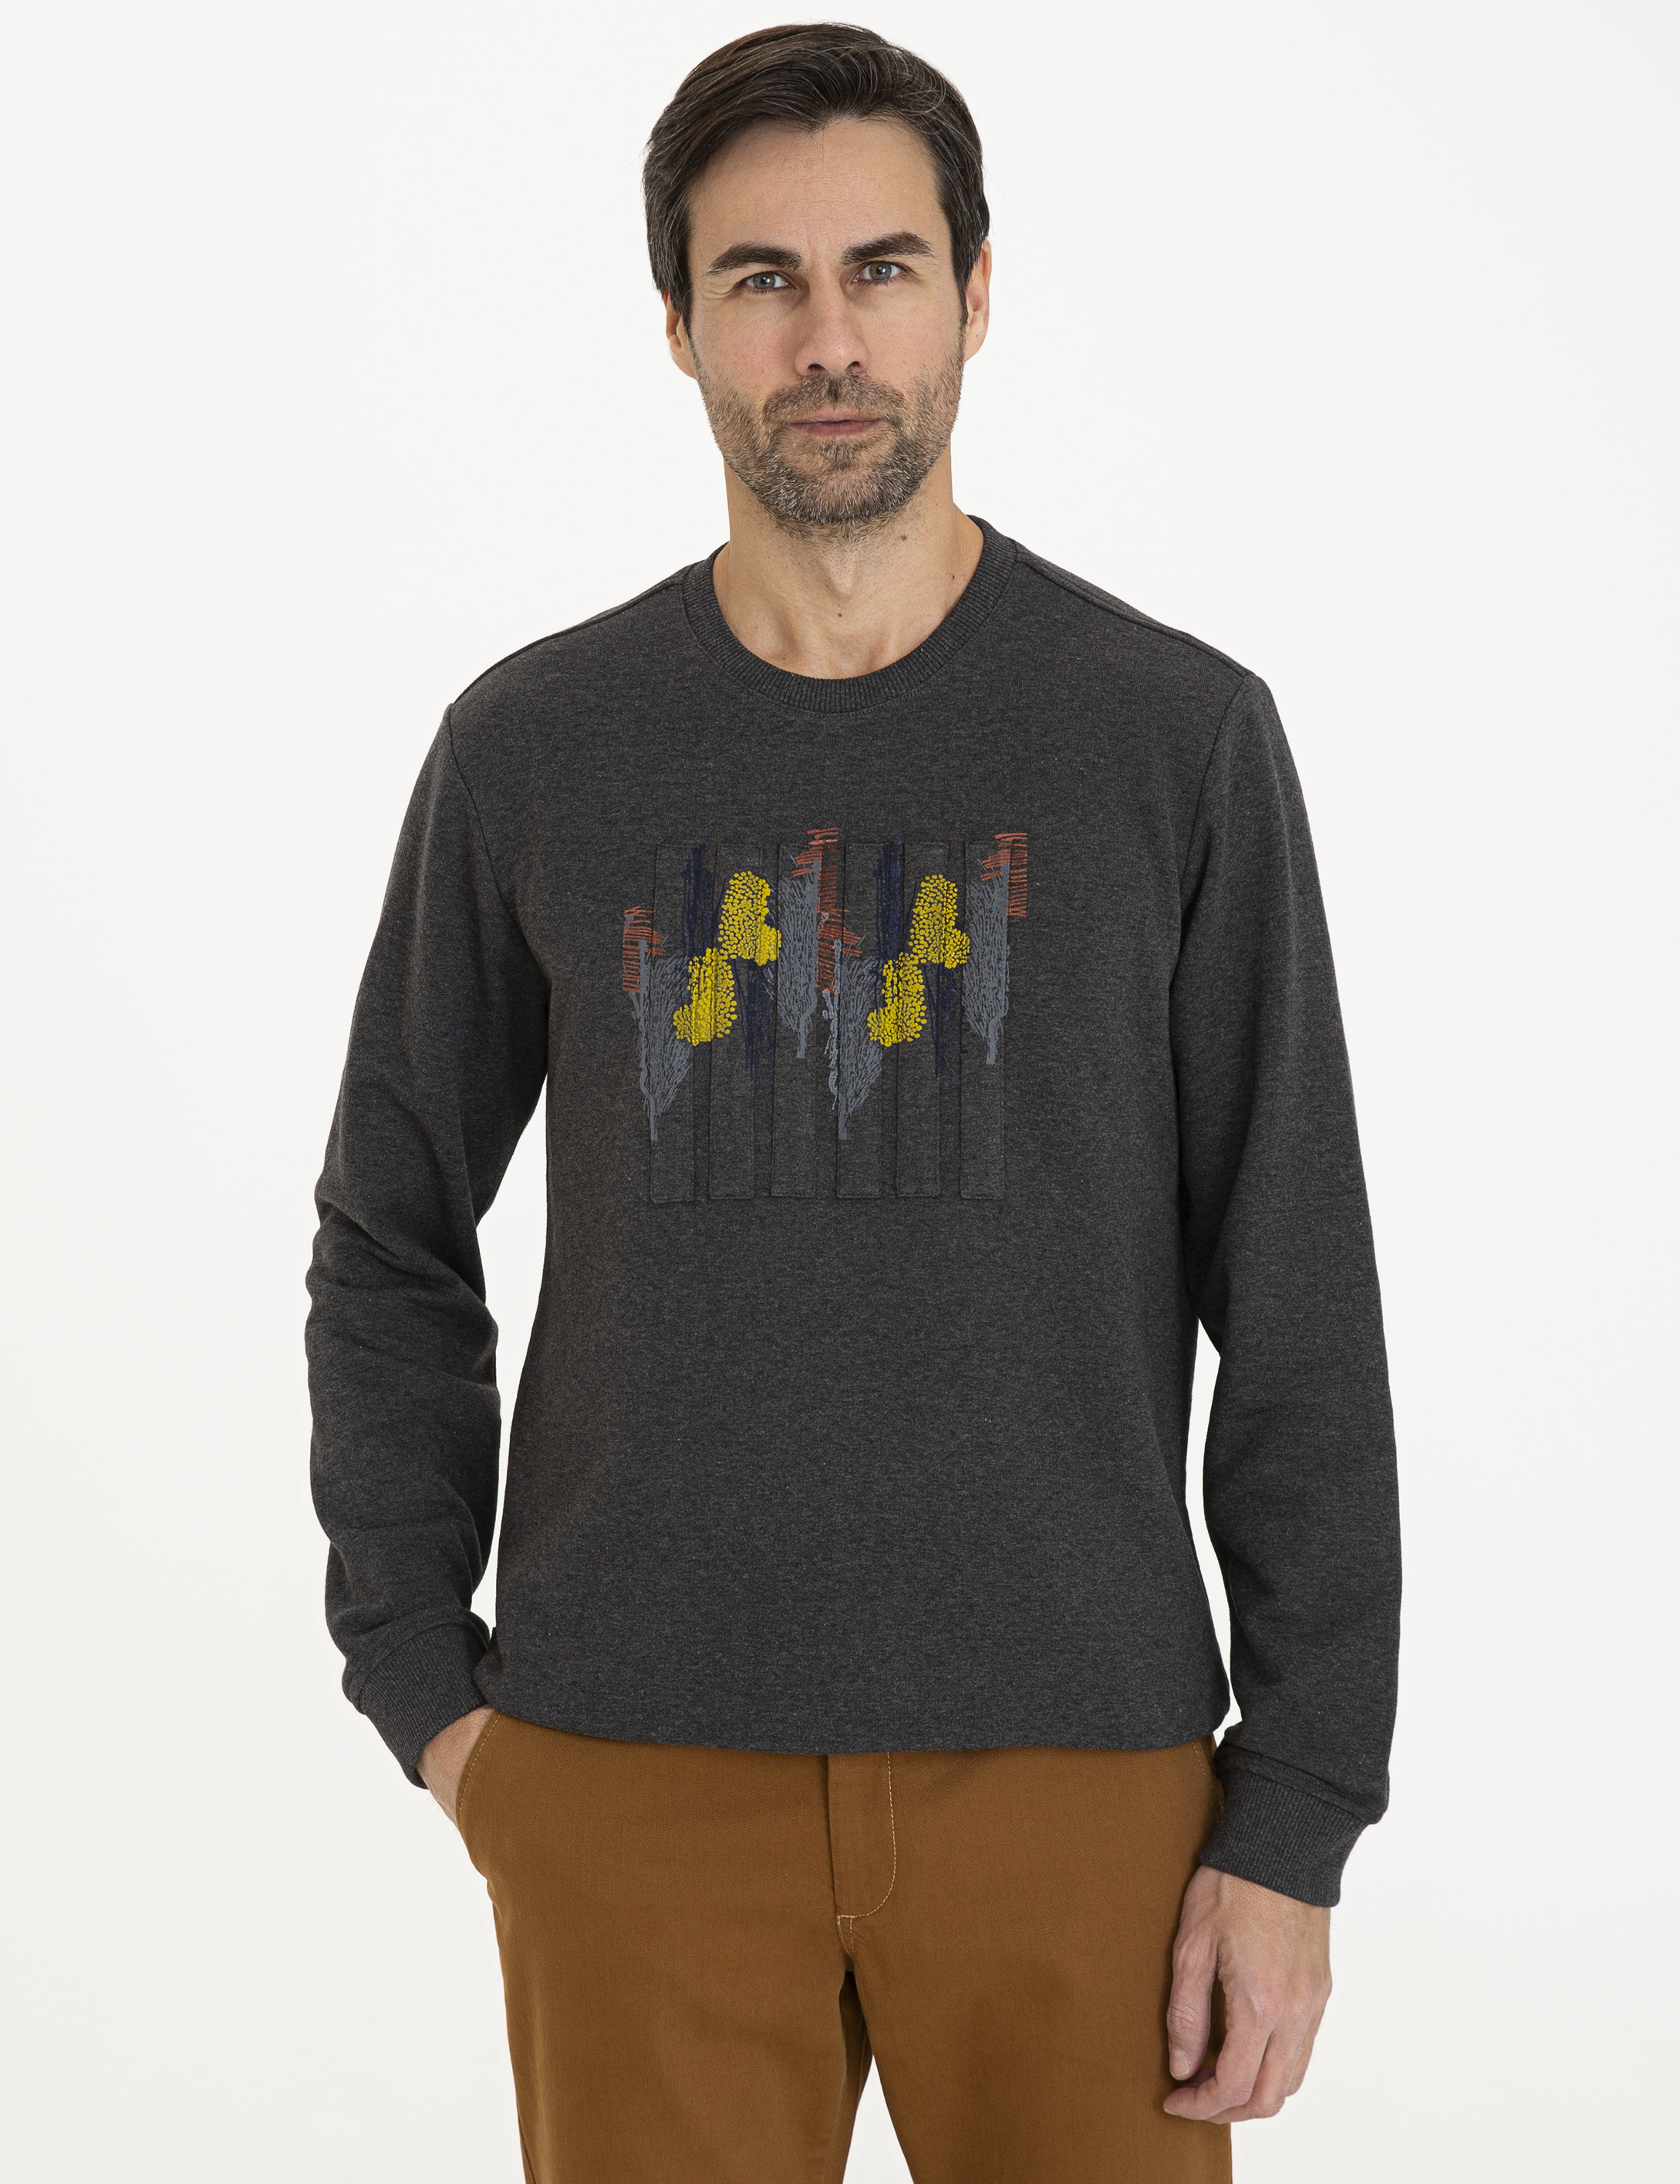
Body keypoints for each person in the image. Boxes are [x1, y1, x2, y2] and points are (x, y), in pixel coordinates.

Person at [305, 22, 1400, 2182]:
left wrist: (1297, 1813)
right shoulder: (539, 745)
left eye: (882, 270)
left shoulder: (1171, 739)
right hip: (624, 1772)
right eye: (762, 279)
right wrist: (426, 1683)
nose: (828, 341)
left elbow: (1297, 1286)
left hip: (1086, 1774)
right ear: (678, 323)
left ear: (974, 296)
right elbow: (389, 1226)